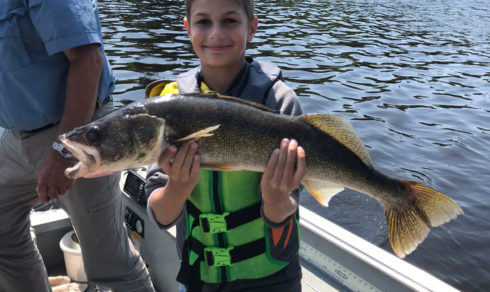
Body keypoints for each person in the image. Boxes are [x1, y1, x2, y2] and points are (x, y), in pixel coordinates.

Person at [145, 0, 306, 291]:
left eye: (230, 21)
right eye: (203, 22)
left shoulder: (280, 102)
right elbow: (161, 216)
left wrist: (275, 197)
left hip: (272, 278)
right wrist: (177, 188)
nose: (216, 33)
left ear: (251, 27)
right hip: (199, 276)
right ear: (187, 29)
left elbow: (287, 206)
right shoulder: (166, 108)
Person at [0, 1, 155, 291]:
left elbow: (88, 60)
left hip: (79, 135)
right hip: (14, 136)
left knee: (110, 263)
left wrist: (62, 151)